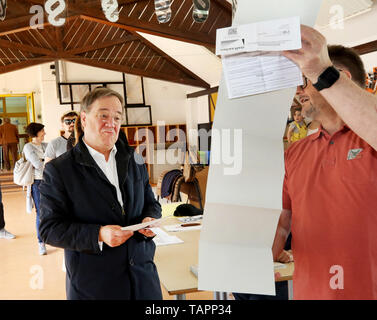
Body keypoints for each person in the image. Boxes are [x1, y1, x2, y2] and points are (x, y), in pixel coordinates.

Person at [273, 28, 377, 299]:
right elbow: (282, 223)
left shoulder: (369, 143)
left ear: (340, 77)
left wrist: (321, 71)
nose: (299, 91)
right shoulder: (295, 153)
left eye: (305, 81)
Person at [39, 87, 162, 300]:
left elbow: (152, 203)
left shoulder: (134, 158)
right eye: (103, 115)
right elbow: (49, 229)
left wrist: (150, 219)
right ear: (84, 119)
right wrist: (98, 234)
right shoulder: (60, 170)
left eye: (117, 117)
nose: (111, 122)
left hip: (143, 279)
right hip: (95, 285)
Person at [23, 123, 47, 255]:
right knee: (40, 213)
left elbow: (55, 160)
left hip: (49, 181)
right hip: (37, 183)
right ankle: (41, 242)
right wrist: (48, 162)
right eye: (42, 131)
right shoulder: (28, 147)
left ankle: (49, 236)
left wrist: (46, 161)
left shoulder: (46, 145)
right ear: (36, 132)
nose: (44, 133)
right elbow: (37, 165)